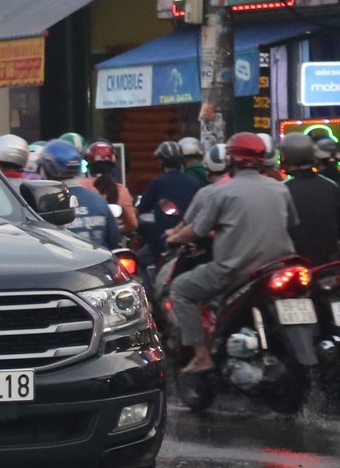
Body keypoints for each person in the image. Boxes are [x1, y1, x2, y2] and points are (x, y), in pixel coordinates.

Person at [164, 132, 298, 373]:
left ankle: (201, 355)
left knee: (181, 289)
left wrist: (173, 238)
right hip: (280, 267)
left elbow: (196, 230)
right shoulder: (280, 189)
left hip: (234, 272)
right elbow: (292, 225)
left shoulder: (220, 192)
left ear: (231, 160)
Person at [35, 140, 118, 249]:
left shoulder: (44, 205)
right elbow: (114, 241)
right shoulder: (98, 201)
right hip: (99, 264)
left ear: (48, 169)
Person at [135, 139, 203, 268]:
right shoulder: (194, 183)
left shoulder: (158, 183)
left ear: (161, 162)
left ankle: (150, 288)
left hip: (164, 243)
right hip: (191, 242)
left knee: (138, 263)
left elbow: (139, 210)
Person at [282, 132, 340, 264]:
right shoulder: (331, 186)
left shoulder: (282, 189)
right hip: (330, 263)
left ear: (286, 157)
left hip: (295, 263)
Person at [84, 141, 137, 238]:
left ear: (89, 165)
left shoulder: (81, 186)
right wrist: (117, 230)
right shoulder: (121, 190)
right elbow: (132, 224)